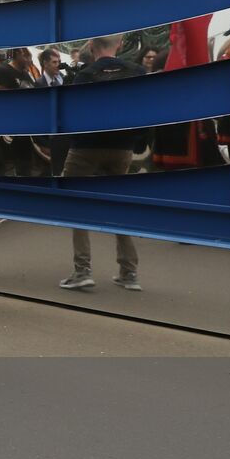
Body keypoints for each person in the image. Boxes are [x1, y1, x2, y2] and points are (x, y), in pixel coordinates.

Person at [59, 35, 145, 292]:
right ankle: (129, 271)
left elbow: (74, 114)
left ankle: (82, 269)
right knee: (119, 205)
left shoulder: (85, 76)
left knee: (76, 203)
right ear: (119, 44)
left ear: (92, 46)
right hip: (122, 148)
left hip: (86, 148)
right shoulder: (137, 72)